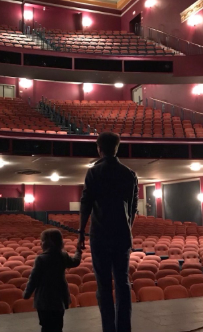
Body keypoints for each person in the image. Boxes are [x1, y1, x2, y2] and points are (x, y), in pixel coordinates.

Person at [78, 132, 138, 332]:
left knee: (103, 286)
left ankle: (108, 329)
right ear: (116, 148)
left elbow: (86, 204)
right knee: (123, 283)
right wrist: (127, 228)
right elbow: (132, 208)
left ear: (99, 148)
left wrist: (80, 234)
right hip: (122, 235)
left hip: (100, 235)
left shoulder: (94, 172)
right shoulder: (129, 174)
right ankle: (124, 329)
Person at [23, 228, 82, 332]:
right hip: (59, 298)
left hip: (44, 298)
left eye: (42, 240)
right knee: (58, 326)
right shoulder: (62, 255)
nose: (40, 243)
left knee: (46, 326)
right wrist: (78, 250)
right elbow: (75, 262)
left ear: (47, 243)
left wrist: (27, 293)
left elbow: (34, 279)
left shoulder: (41, 259)